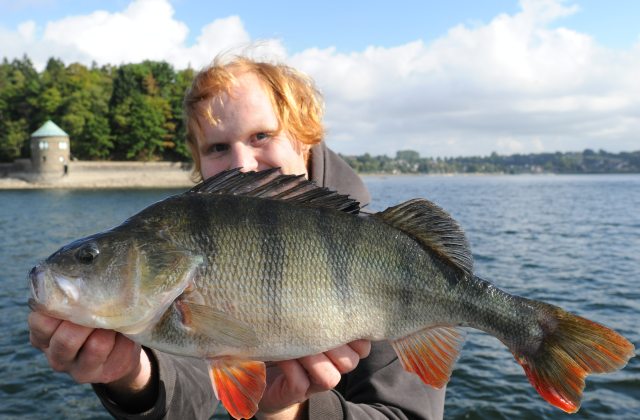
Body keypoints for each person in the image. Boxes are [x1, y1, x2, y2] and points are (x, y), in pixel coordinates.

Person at [28, 55, 446, 419]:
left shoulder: (385, 251)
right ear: (197, 160)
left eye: (261, 136)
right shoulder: (172, 272)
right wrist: (131, 375)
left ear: (305, 139)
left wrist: (291, 413)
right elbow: (192, 393)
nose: (242, 164)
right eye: (217, 148)